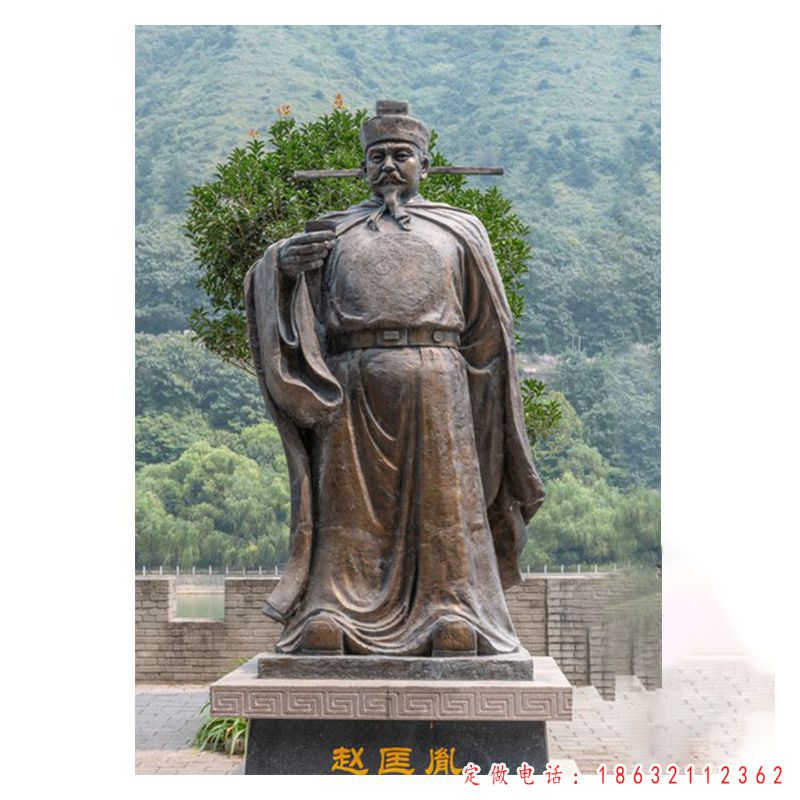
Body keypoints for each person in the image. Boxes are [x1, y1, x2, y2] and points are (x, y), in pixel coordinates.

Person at [245, 101, 544, 656]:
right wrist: (282, 266)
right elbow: (288, 301)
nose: (388, 165)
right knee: (348, 505)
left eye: (401, 155)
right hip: (350, 386)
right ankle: (333, 609)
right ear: (362, 167)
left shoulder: (460, 230)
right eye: (376, 156)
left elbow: (488, 332)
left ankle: (453, 610)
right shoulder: (334, 232)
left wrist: (486, 407)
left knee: (443, 503)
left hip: (438, 384)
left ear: (424, 165)